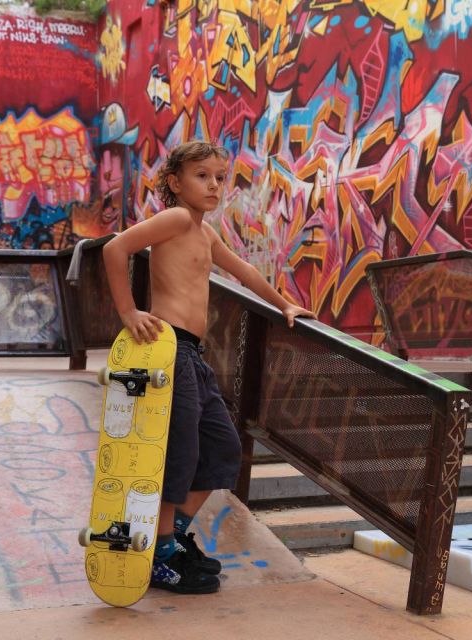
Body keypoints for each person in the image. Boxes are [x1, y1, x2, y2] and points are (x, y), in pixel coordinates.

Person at [102, 140, 315, 594]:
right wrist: (128, 311)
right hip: (167, 349)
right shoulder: (176, 218)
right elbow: (115, 249)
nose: (214, 185)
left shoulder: (204, 233)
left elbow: (247, 274)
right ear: (176, 183)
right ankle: (158, 556)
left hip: (191, 356)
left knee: (220, 448)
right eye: (202, 176)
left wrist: (285, 305)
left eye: (221, 177)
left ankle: (171, 538)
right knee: (179, 456)